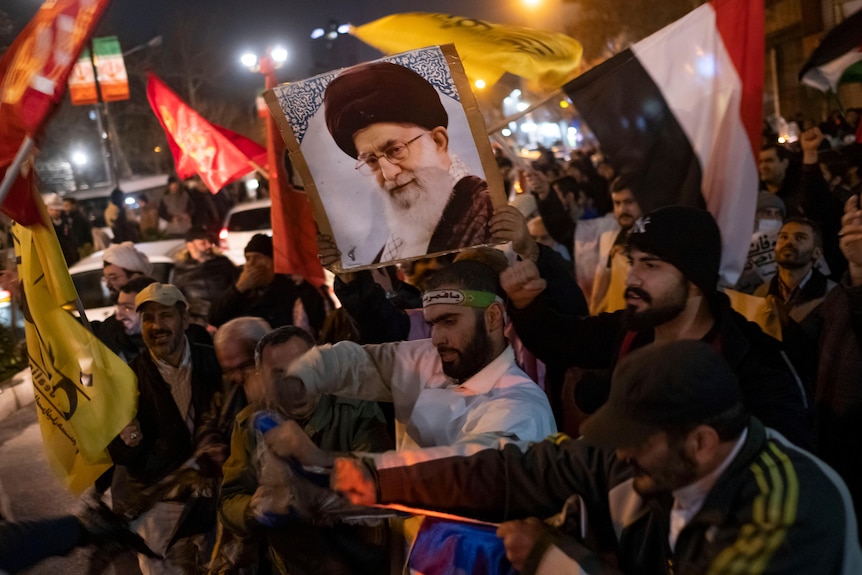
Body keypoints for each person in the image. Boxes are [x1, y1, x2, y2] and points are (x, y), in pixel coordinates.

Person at [331, 340, 862, 575]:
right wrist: (367, 479)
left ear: (701, 443)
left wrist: (552, 560)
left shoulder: (792, 512)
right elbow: (517, 471)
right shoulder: (650, 461)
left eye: (638, 439)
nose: (622, 452)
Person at [502, 205, 811, 447]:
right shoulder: (633, 330)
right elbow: (562, 340)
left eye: (650, 265)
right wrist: (526, 304)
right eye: (632, 261)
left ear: (693, 281)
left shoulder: (754, 362)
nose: (632, 277)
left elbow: (783, 462)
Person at [272, 259, 556, 470]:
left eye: (449, 321)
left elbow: (458, 471)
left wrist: (328, 461)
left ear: (493, 317)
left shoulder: (521, 405)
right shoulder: (431, 360)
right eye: (432, 323)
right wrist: (297, 380)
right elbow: (358, 362)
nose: (436, 338)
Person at [219, 325, 392, 574]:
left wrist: (315, 476)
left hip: (357, 555)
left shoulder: (355, 407)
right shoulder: (250, 423)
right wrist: (254, 508)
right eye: (279, 374)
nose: (294, 383)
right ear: (262, 377)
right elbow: (228, 500)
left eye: (302, 368)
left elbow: (380, 477)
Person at [107, 283, 226, 574]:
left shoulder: (214, 361)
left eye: (166, 315)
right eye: (149, 318)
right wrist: (129, 439)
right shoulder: (127, 379)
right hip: (159, 501)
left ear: (185, 320)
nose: (157, 325)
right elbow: (118, 453)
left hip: (213, 494)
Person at [324, 60, 494, 263]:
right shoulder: (399, 240)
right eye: (371, 161)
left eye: (395, 150)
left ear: (438, 141)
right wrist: (347, 279)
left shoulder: (487, 213)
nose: (388, 174)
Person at [209, 234, 330, 337]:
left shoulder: (291, 287)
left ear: (273, 261)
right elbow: (215, 318)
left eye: (258, 257)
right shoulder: (241, 290)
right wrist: (238, 289)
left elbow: (320, 317)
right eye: (248, 258)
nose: (251, 264)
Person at [589, 175, 643, 315]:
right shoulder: (610, 237)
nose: (622, 210)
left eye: (629, 202)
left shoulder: (657, 240)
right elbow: (601, 282)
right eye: (617, 203)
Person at [173, 226, 238, 327]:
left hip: (228, 320)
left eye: (209, 241)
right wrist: (202, 324)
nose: (208, 246)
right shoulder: (181, 270)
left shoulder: (223, 264)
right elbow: (177, 304)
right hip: (200, 326)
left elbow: (239, 290)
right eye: (203, 243)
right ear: (190, 245)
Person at [45, 193, 79, 266]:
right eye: (52, 210)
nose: (55, 212)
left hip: (69, 257)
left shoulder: (66, 222)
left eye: (57, 210)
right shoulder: (45, 226)